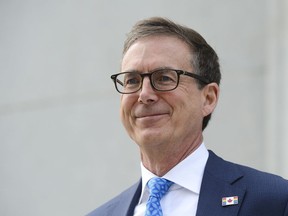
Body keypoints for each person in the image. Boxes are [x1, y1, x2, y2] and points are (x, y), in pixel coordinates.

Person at [87, 17, 288, 216]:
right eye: (132, 81)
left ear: (208, 98)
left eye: (164, 78)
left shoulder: (274, 201)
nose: (144, 94)